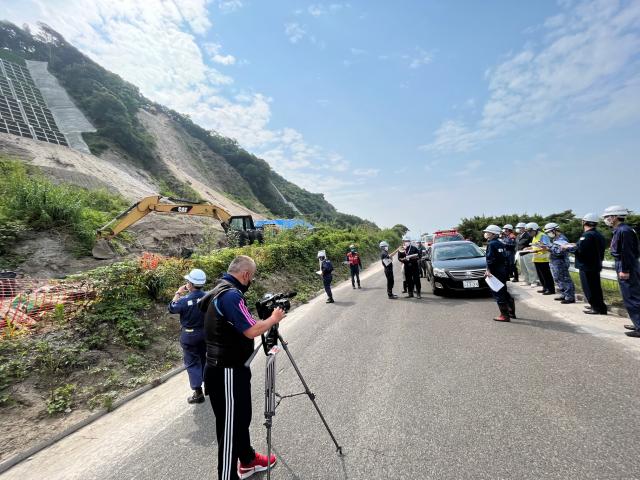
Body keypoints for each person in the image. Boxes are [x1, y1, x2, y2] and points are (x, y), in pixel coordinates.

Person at [200, 255, 286, 479]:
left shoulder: (220, 290)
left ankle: (247, 460)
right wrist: (274, 318)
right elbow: (252, 330)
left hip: (232, 368)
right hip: (225, 370)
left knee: (240, 419)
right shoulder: (230, 295)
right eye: (252, 277)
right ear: (246, 275)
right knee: (229, 429)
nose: (251, 282)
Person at [168, 268, 208, 404]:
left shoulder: (184, 301)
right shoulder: (208, 296)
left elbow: (172, 308)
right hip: (205, 333)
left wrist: (178, 292)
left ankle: (198, 393)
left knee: (192, 363)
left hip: (189, 336)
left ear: (190, 284)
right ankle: (209, 385)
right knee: (205, 359)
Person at [602, 205, 640, 337]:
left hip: (625, 264)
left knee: (631, 296)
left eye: (607, 217)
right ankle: (637, 323)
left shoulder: (624, 231)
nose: (606, 219)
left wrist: (625, 269)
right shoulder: (622, 230)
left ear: (615, 217)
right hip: (625, 263)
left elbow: (626, 252)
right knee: (630, 295)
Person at [562, 213, 607, 315]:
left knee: (589, 287)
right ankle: (599, 307)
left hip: (587, 265)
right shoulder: (598, 234)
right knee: (596, 287)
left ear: (584, 222)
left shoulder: (587, 235)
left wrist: (568, 248)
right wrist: (575, 245)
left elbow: (581, 250)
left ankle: (595, 307)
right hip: (595, 264)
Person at [483, 225, 515, 321]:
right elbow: (505, 258)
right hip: (502, 270)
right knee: (503, 291)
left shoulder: (492, 244)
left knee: (498, 292)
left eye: (487, 232)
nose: (486, 234)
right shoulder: (500, 243)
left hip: (495, 271)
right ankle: (511, 312)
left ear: (493, 234)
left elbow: (490, 259)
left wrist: (488, 270)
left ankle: (504, 316)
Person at [544, 223, 575, 304]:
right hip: (555, 261)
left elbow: (559, 252)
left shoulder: (562, 239)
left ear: (554, 230)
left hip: (561, 261)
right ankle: (563, 294)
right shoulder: (555, 238)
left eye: (549, 232)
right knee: (557, 278)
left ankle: (570, 296)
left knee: (564, 279)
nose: (548, 234)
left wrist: (548, 248)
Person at [526, 222, 555, 295]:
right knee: (540, 275)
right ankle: (544, 287)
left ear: (535, 230)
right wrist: (529, 248)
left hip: (543, 258)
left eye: (530, 231)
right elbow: (536, 246)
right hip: (537, 258)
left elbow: (546, 246)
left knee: (546, 275)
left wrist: (536, 250)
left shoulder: (542, 235)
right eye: (528, 232)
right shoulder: (535, 236)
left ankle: (550, 289)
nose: (529, 233)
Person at [516, 222, 539, 286]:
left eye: (519, 228)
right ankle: (526, 280)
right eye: (518, 228)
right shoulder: (518, 236)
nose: (518, 229)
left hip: (528, 253)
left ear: (524, 228)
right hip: (520, 253)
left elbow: (533, 244)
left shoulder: (528, 234)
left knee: (530, 268)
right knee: (523, 269)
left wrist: (529, 248)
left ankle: (533, 281)